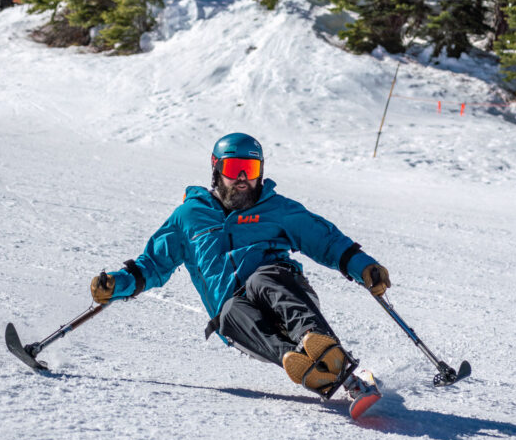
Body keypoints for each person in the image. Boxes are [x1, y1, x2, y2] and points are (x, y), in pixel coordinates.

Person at [91, 132, 390, 407]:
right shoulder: (189, 217)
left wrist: (363, 267)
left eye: (252, 169)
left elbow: (325, 240)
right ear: (216, 168)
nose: (244, 178)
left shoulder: (278, 209)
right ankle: (304, 365)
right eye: (235, 169)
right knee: (230, 311)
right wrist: (118, 284)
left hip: (282, 289)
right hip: (234, 316)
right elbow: (153, 263)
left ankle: (329, 356)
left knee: (262, 279)